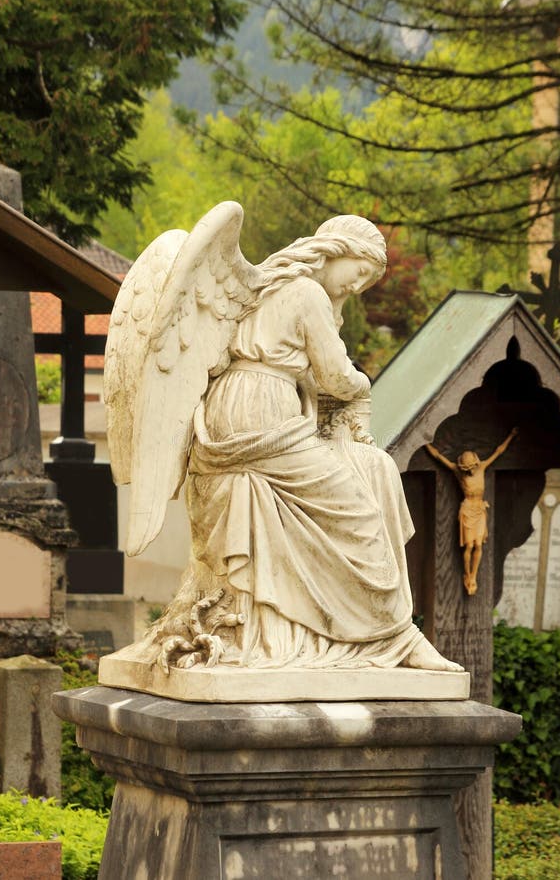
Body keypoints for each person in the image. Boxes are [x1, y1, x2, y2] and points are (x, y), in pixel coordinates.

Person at [181, 215, 463, 671]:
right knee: (358, 513)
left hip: (235, 408)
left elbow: (305, 371)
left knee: (351, 492)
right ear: (335, 250)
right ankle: (396, 637)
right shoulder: (308, 292)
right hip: (264, 413)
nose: (358, 286)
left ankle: (344, 628)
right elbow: (333, 374)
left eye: (369, 281)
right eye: (360, 271)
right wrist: (362, 384)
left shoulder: (268, 288)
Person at [426, 428, 519, 594]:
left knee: (478, 544)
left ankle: (473, 576)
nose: (470, 471)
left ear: (476, 463)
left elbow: (498, 452)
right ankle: (467, 574)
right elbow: (439, 457)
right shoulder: (457, 471)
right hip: (468, 509)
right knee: (468, 545)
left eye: (472, 467)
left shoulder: (482, 467)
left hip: (479, 509)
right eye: (467, 468)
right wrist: (424, 442)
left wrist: (510, 436)